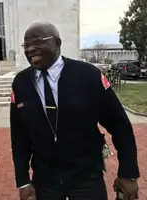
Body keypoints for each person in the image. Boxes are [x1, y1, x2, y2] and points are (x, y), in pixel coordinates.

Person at [10, 21, 139, 200]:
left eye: (38, 42)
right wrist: (23, 181)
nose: (30, 49)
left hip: (86, 178)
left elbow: (120, 125)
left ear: (57, 44)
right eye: (27, 45)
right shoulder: (21, 83)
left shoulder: (88, 76)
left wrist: (128, 172)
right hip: (45, 181)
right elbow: (19, 136)